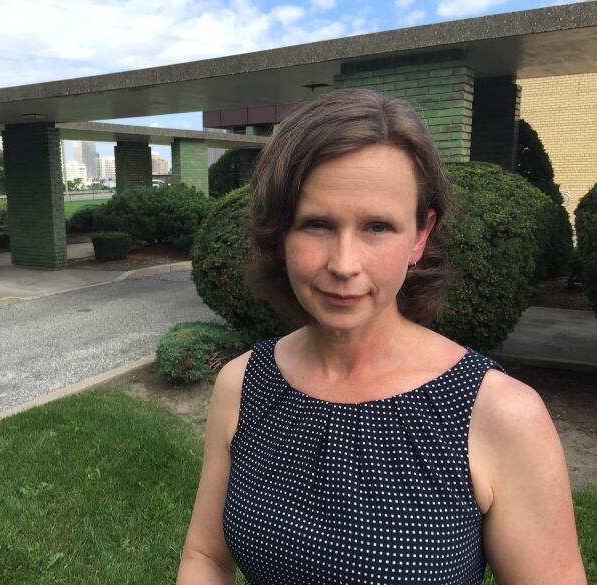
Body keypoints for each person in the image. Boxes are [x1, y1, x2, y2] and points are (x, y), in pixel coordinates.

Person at [176, 89, 585, 584]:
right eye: (317, 224)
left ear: (419, 236)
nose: (344, 265)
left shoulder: (500, 415)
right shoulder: (242, 386)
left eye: (377, 226)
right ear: (281, 233)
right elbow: (207, 556)